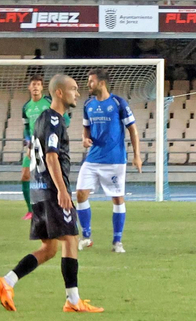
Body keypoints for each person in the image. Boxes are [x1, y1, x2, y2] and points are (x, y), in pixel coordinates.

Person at [0, 73, 102, 313]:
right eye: (73, 89)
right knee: (71, 239)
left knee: (49, 248)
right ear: (59, 92)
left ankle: (7, 282)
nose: (77, 93)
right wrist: (62, 190)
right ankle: (73, 300)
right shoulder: (53, 120)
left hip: (38, 190)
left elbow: (36, 153)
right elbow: (51, 156)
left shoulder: (42, 119)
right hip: (52, 190)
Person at [73, 70, 141, 254]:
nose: (88, 84)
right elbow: (86, 128)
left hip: (114, 160)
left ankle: (117, 241)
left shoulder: (118, 103)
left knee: (117, 198)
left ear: (101, 83)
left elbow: (133, 129)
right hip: (93, 158)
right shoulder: (88, 104)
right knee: (80, 194)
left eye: (91, 81)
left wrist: (137, 155)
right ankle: (86, 237)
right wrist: (85, 139)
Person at [19, 77, 50, 221]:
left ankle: (50, 208)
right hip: (32, 146)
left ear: (42, 87)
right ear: (29, 87)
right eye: (33, 84)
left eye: (38, 84)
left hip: (47, 145)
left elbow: (64, 119)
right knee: (25, 176)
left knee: (47, 178)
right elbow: (26, 128)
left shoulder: (48, 102)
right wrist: (28, 143)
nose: (36, 87)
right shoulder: (26, 107)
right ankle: (30, 211)